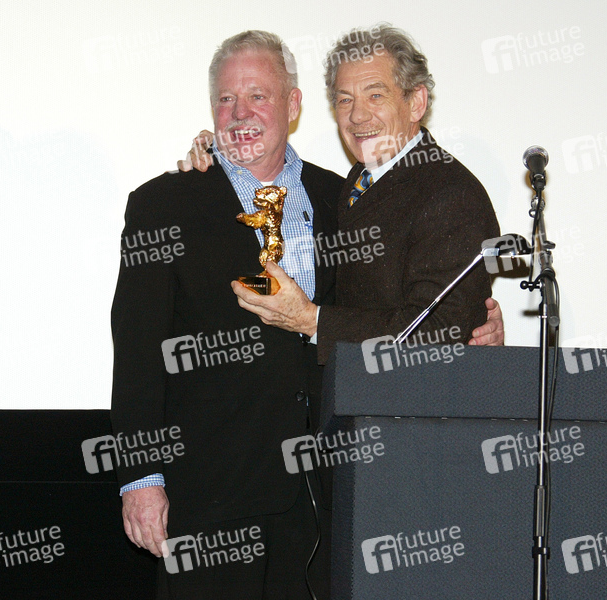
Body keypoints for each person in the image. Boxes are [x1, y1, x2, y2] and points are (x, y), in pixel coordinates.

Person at [113, 29, 503, 600]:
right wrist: (141, 479)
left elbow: (398, 310)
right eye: (226, 99)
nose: (240, 113)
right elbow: (138, 354)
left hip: (328, 497)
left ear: (293, 106)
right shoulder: (163, 204)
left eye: (258, 96)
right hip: (209, 502)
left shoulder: (337, 196)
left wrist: (465, 328)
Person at [227, 25, 500, 361]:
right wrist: (215, 152)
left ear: (416, 102)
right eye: (345, 100)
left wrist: (312, 321)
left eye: (375, 95)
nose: (357, 115)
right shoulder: (353, 183)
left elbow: (438, 332)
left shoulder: (451, 195)